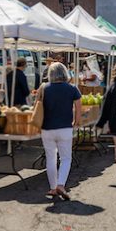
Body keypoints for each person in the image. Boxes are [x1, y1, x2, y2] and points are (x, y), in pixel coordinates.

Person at [37, 62, 81, 200]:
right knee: (66, 158)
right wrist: (76, 122)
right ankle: (61, 185)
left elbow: (37, 108)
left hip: (47, 128)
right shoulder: (72, 89)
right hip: (65, 128)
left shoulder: (43, 88)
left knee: (50, 158)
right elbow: (78, 109)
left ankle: (52, 187)